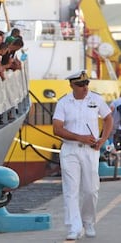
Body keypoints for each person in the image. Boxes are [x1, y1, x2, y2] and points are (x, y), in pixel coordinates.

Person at [52, 70, 113, 240]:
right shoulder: (64, 102)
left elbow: (108, 118)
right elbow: (57, 128)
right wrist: (81, 137)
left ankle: (88, 222)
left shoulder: (96, 99)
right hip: (70, 150)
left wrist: (102, 140)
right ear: (72, 85)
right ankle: (74, 227)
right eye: (80, 85)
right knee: (71, 190)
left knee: (91, 190)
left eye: (86, 84)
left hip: (90, 151)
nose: (85, 88)